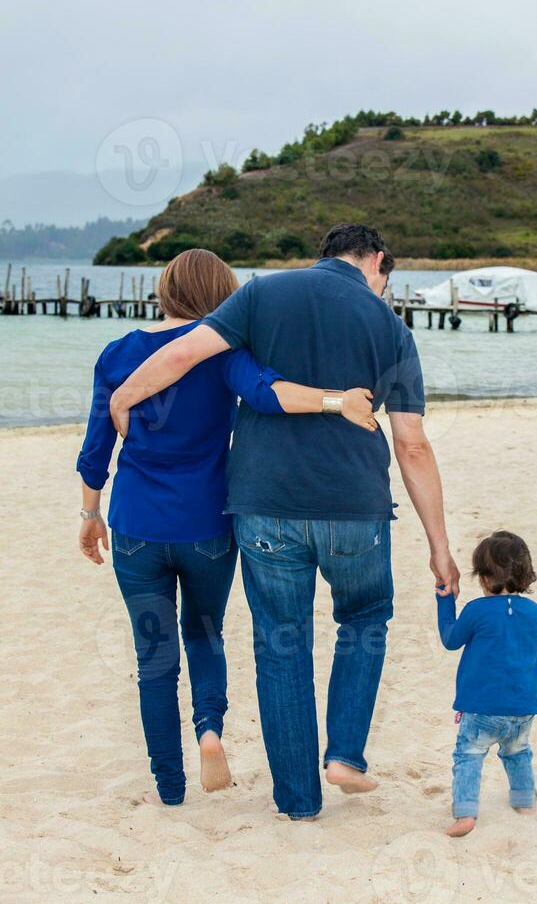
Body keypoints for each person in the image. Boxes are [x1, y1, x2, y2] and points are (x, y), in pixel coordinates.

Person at [108, 223, 460, 821]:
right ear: (376, 261)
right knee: (366, 618)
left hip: (265, 505)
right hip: (356, 509)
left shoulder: (263, 294)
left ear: (323, 255)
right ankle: (345, 753)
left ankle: (298, 802)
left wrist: (124, 396)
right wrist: (439, 546)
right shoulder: (392, 328)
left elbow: (186, 351)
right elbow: (413, 444)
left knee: (281, 645)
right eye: (385, 278)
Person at [77, 248, 374, 807]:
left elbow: (97, 450)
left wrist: (90, 514)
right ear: (223, 294)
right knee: (204, 634)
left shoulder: (118, 354)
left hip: (137, 525)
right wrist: (336, 401)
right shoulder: (224, 352)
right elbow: (270, 392)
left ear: (165, 289)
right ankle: (209, 730)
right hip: (208, 527)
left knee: (155, 657)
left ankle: (170, 788)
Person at [436, 530, 537, 837]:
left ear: (485, 577)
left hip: (481, 706)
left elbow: (451, 640)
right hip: (523, 706)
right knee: (518, 752)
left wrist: (445, 602)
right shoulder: (535, 611)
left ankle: (465, 814)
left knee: (469, 756)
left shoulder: (477, 609)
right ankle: (525, 802)